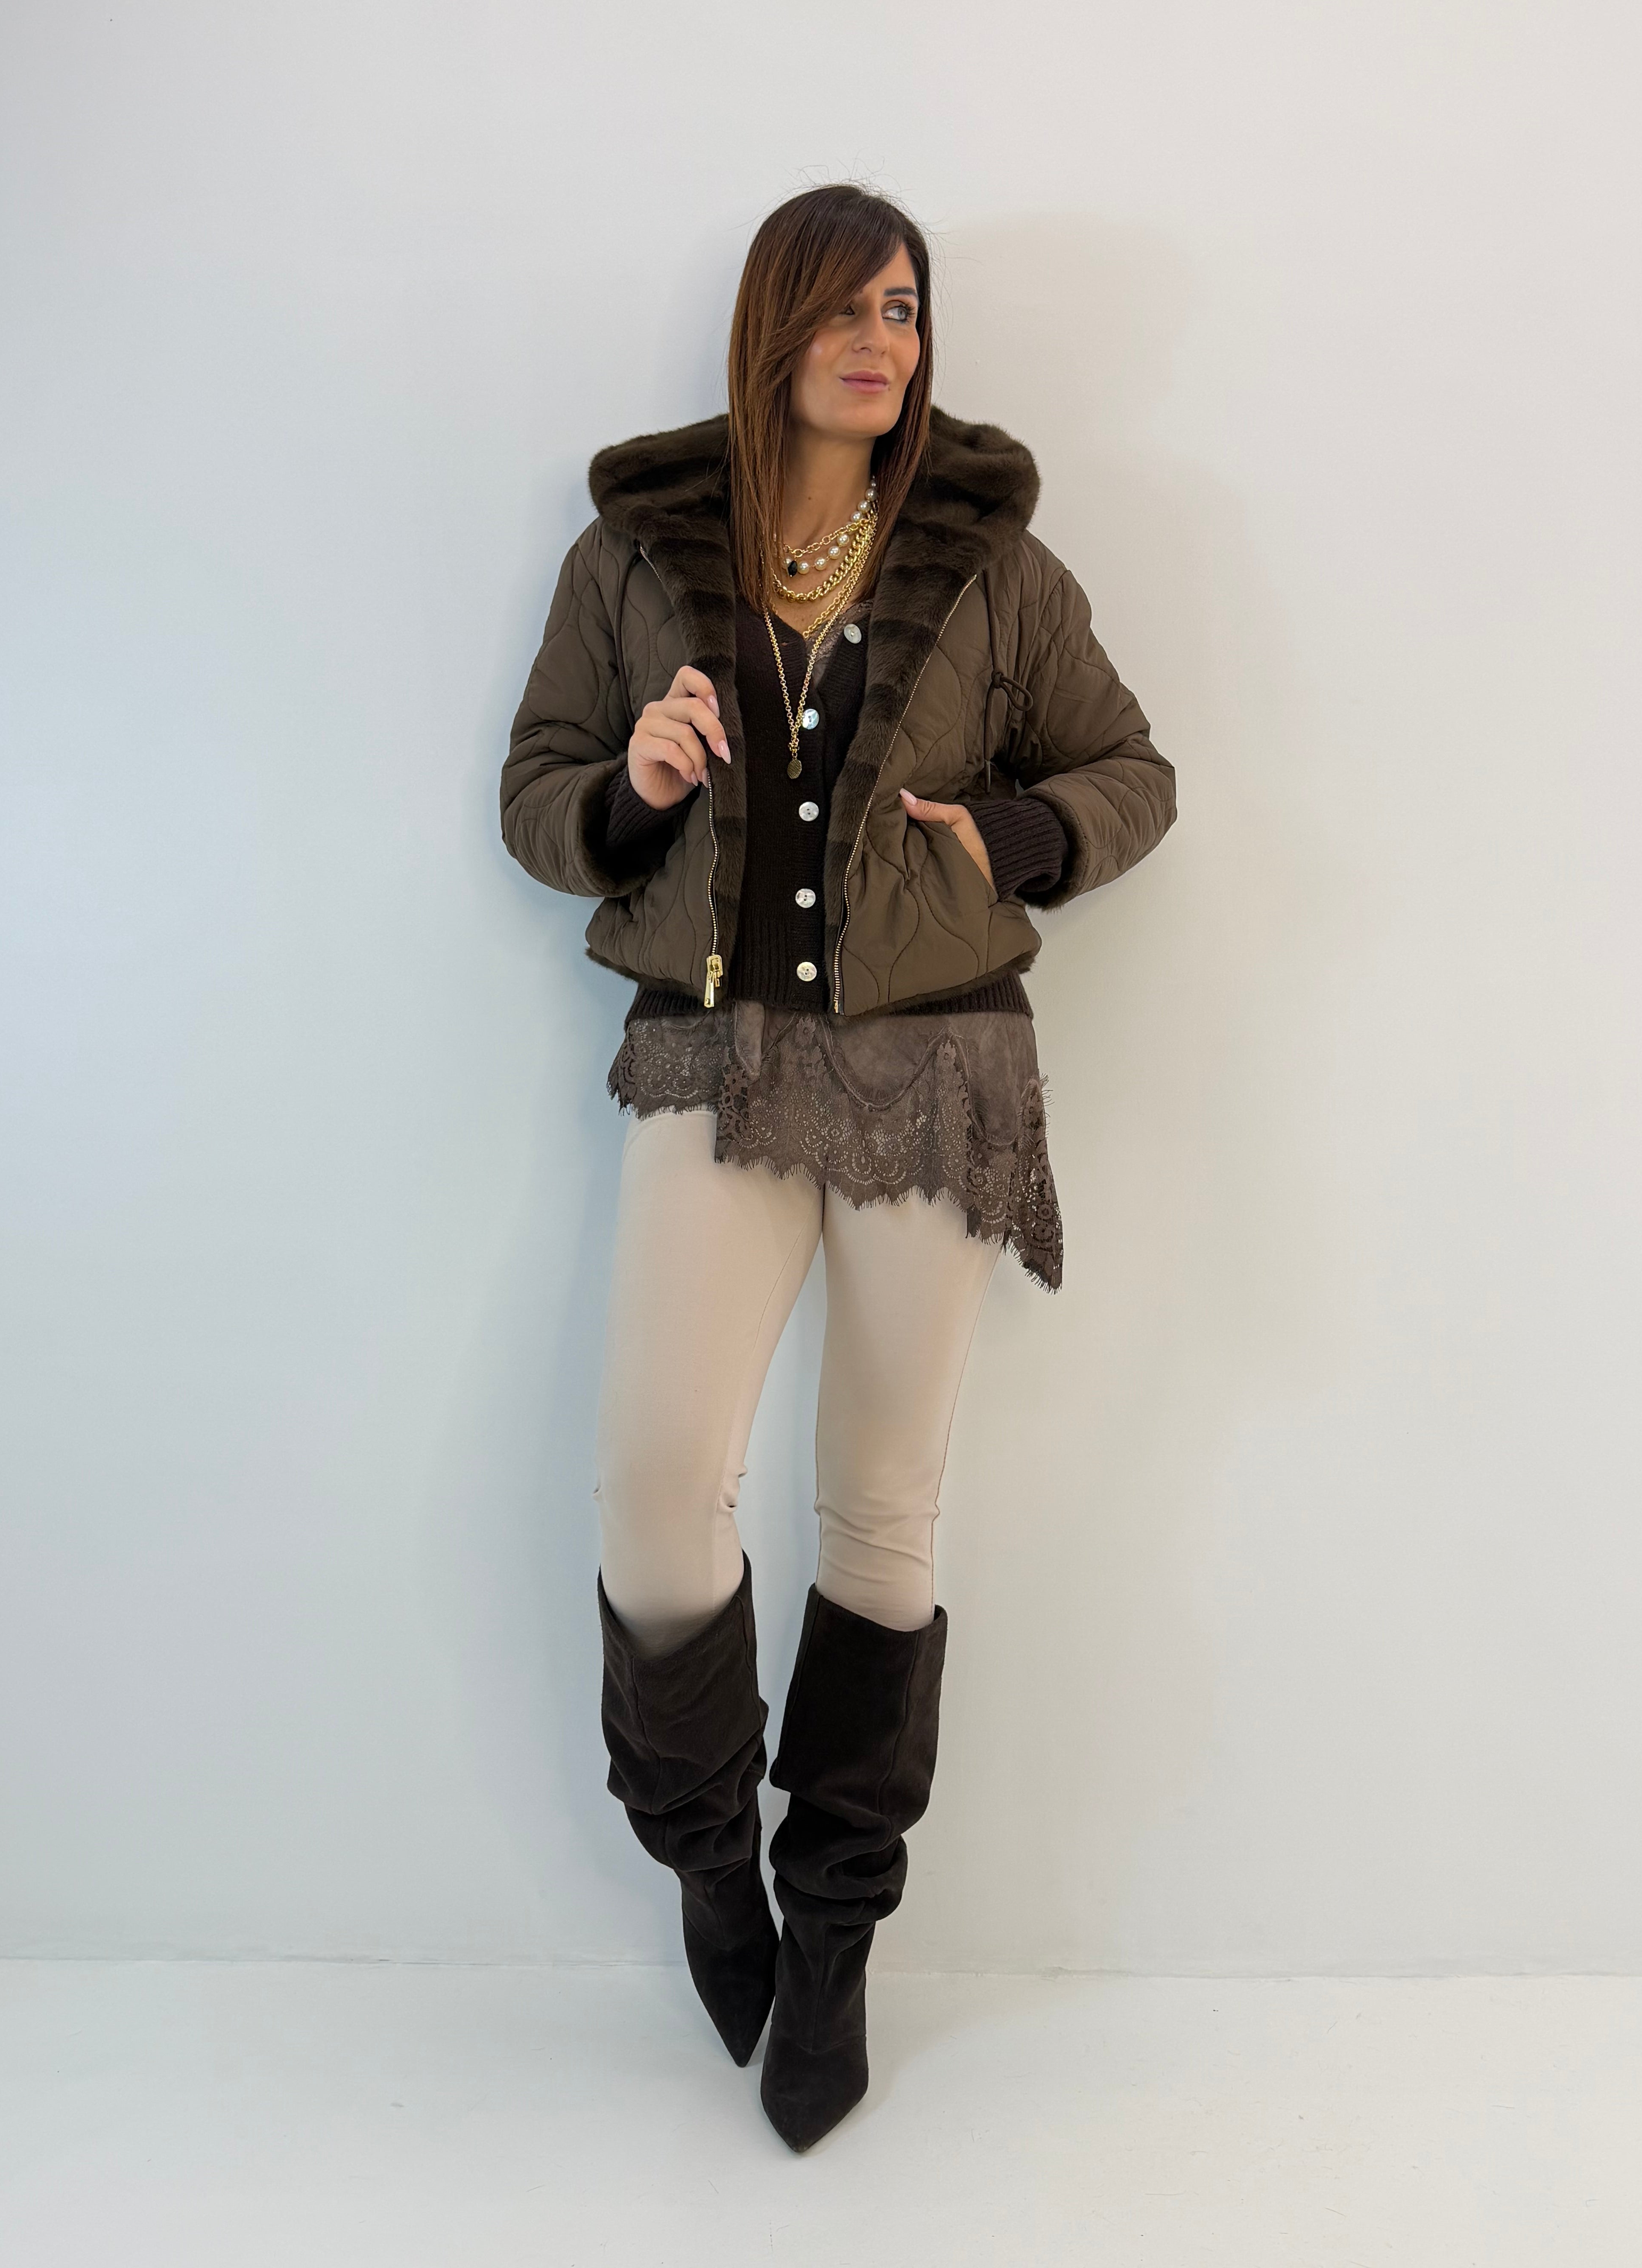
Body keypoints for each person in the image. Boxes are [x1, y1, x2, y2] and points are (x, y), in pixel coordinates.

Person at [499, 182, 1176, 2151]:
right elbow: (534, 792)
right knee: (657, 1489)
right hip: (715, 1059)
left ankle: (841, 1927)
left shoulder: (992, 560)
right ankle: (713, 1860)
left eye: (907, 308)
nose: (884, 341)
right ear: (772, 323)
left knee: (881, 1506)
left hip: (933, 1065)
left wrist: (1017, 840)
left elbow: (1130, 771)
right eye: (848, 307)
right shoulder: (636, 550)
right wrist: (631, 786)